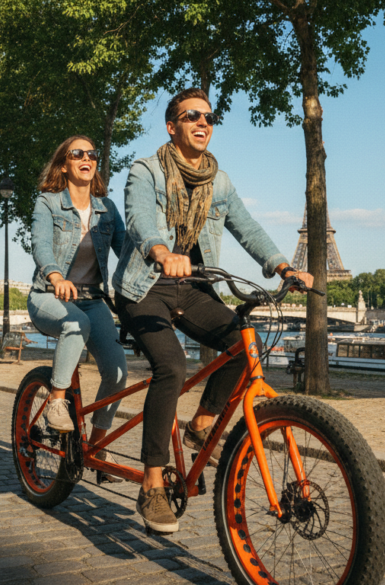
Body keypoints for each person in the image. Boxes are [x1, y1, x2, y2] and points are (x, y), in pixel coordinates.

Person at [111, 88, 314, 533]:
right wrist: (161, 250)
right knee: (172, 365)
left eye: (209, 117)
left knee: (244, 346)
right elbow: (139, 217)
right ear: (172, 126)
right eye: (192, 117)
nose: (203, 123)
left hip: (192, 286)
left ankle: (202, 425)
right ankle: (151, 484)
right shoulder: (145, 171)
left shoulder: (218, 181)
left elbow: (246, 226)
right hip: (145, 286)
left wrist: (282, 265)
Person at [28, 135, 129, 480]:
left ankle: (98, 449)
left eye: (92, 153)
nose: (87, 157)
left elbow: (127, 251)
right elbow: (41, 245)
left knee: (117, 374)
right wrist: (56, 275)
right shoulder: (48, 203)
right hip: (49, 296)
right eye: (77, 153)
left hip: (91, 298)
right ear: (64, 163)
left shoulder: (108, 209)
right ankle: (57, 400)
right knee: (75, 326)